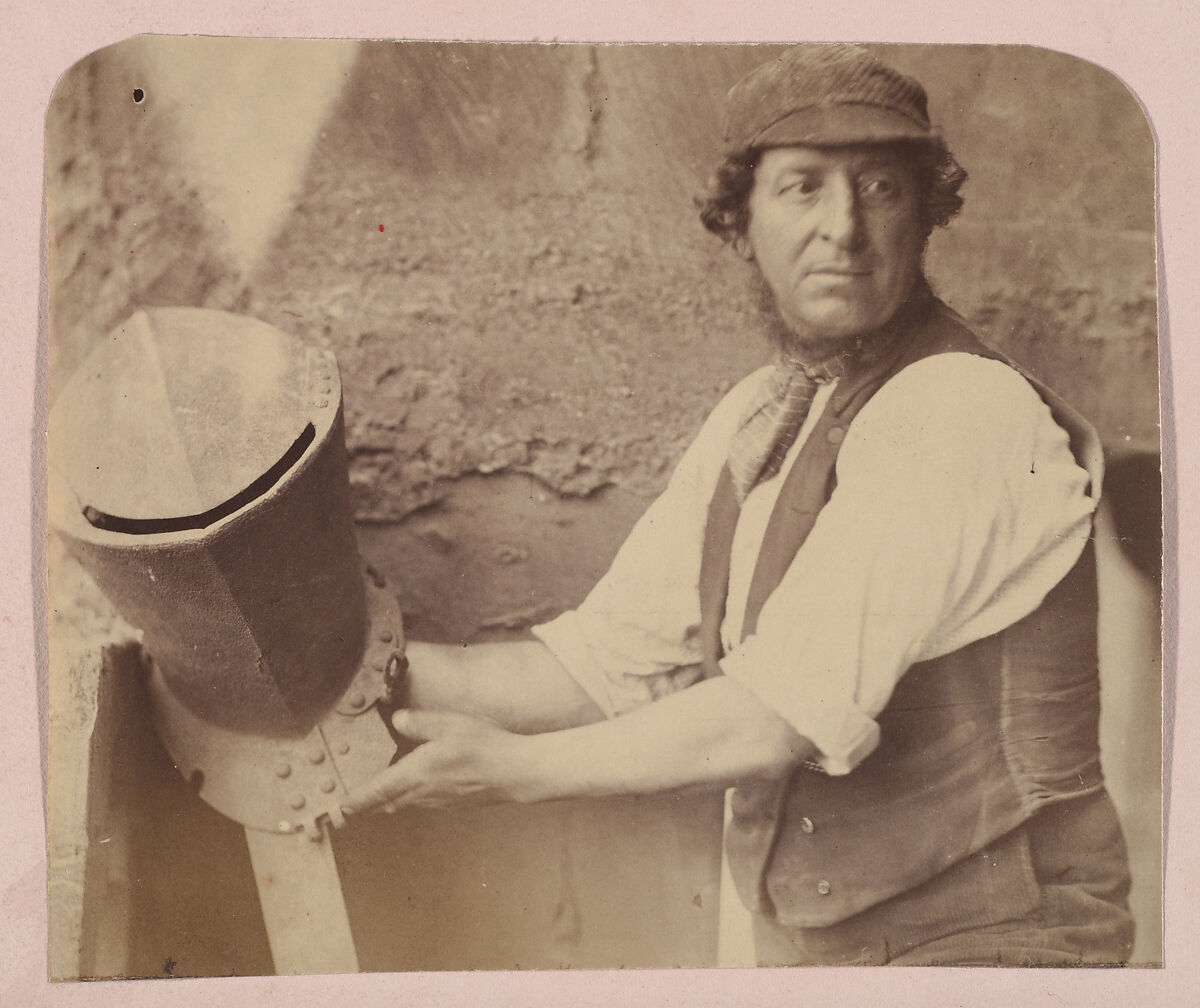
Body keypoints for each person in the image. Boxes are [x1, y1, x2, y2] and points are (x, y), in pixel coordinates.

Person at [341, 43, 1134, 967]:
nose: (842, 226)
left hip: (1000, 961)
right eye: (802, 187)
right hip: (829, 955)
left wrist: (513, 773)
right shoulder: (763, 415)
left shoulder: (962, 411)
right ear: (740, 220)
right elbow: (609, 664)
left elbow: (774, 715)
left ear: (925, 218)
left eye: (880, 187)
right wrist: (354, 673)